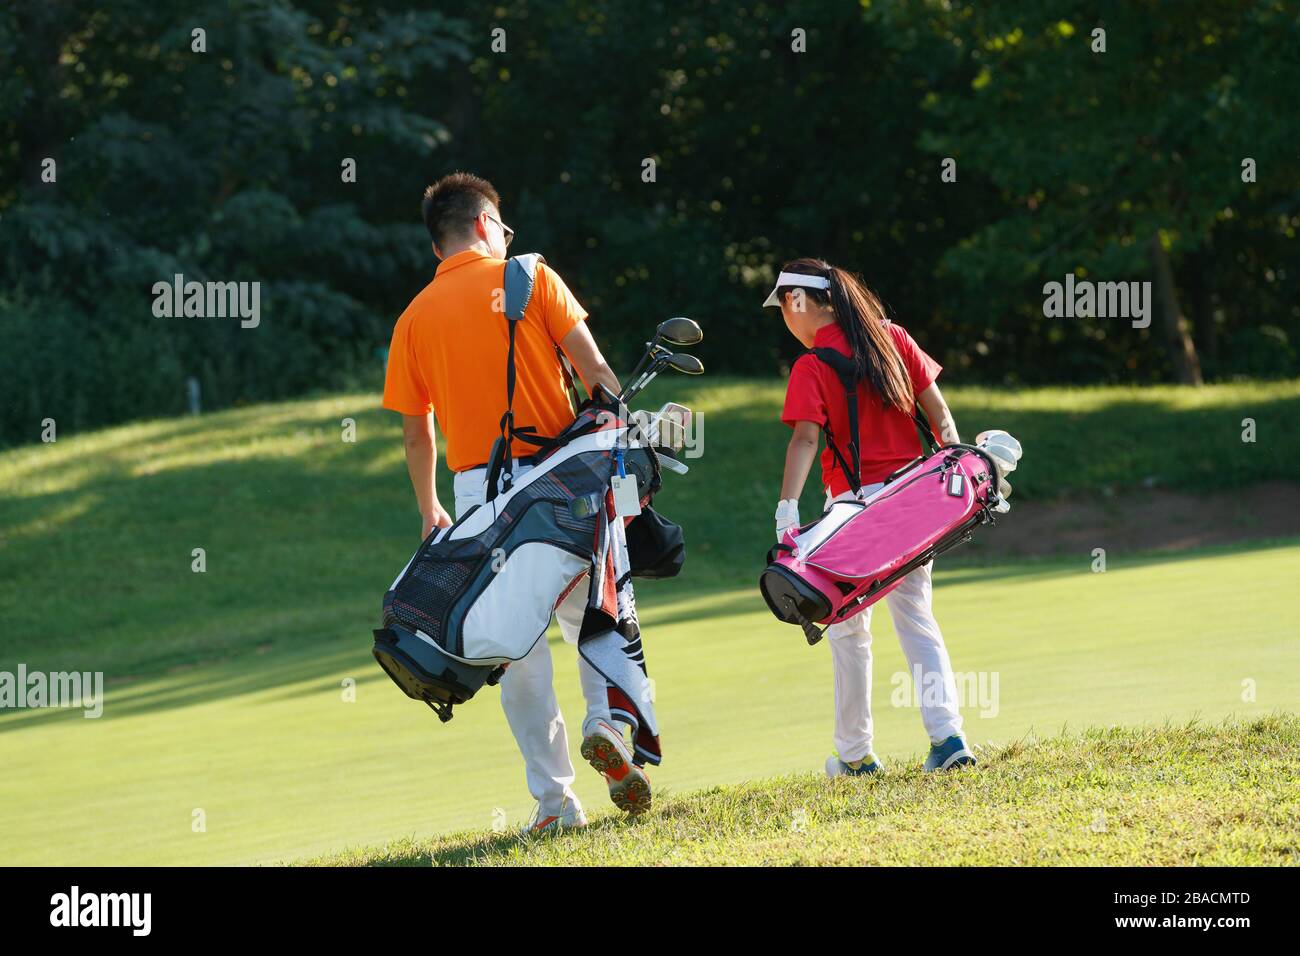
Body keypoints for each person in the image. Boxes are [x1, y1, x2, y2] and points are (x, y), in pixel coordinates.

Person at [381, 172, 651, 831]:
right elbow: (594, 373)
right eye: (502, 226)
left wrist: (429, 508)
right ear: (482, 225)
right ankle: (610, 723)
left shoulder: (414, 317)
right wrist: (627, 444)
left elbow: (418, 432)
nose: (507, 237)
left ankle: (556, 803)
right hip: (563, 474)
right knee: (597, 606)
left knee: (516, 647)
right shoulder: (532, 277)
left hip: (478, 492)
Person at [764, 256, 976, 776]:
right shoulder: (893, 339)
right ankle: (948, 740)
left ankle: (856, 756)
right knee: (918, 621)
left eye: (784, 307)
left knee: (847, 630)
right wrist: (950, 486)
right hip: (912, 506)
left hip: (852, 516)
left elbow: (806, 439)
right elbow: (941, 417)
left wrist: (786, 511)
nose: (785, 319)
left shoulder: (811, 366)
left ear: (799, 302)